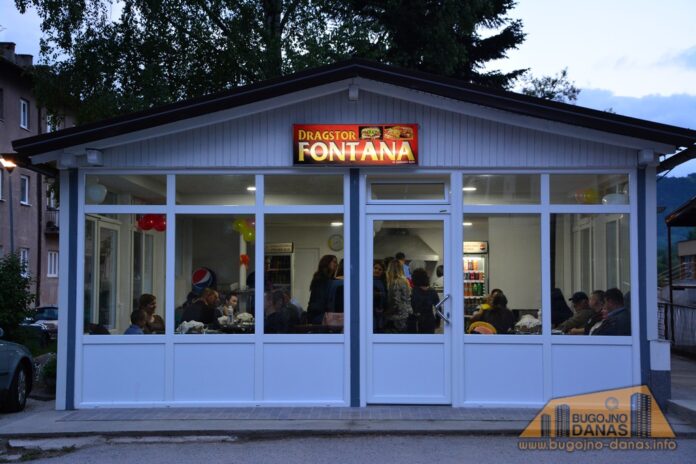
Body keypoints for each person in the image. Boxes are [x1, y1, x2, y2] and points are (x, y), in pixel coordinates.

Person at [307, 254, 338, 324]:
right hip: (318, 315)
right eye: (334, 262)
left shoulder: (330, 280)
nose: (336, 265)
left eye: (336, 263)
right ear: (326, 263)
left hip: (323, 314)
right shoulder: (320, 280)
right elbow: (319, 302)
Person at [385, 258, 412, 333]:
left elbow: (395, 301)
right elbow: (407, 298)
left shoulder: (395, 282)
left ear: (390, 269)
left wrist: (386, 313)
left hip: (397, 317)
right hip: (405, 314)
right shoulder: (405, 280)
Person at [411, 268, 440, 334]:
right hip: (430, 321)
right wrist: (437, 321)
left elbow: (412, 308)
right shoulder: (432, 291)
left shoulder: (414, 291)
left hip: (416, 322)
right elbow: (438, 308)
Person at [372, 261, 388, 332]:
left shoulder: (384, 282)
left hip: (381, 312)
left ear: (383, 272)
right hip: (371, 311)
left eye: (380, 269)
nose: (377, 270)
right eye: (375, 268)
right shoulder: (367, 280)